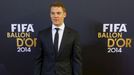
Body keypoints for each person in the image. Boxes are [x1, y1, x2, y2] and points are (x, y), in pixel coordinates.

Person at [34, 1, 82, 75]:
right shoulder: (42, 34)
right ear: (50, 15)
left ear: (64, 14)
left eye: (58, 13)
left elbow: (76, 61)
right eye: (52, 13)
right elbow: (38, 60)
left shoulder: (74, 35)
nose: (55, 16)